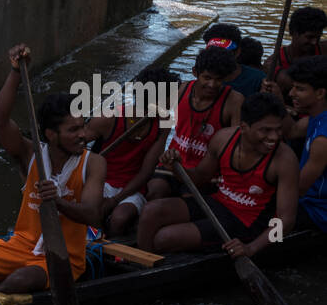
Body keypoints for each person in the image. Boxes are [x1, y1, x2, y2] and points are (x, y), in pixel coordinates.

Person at [0, 44, 106, 292]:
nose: (83, 135)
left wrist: (59, 201)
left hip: (63, 256)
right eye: (73, 130)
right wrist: (16, 73)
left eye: (83, 126)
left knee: (21, 281)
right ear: (52, 135)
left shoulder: (93, 163)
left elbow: (93, 215)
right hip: (19, 245)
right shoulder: (30, 154)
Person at [138, 92, 299, 258]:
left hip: (246, 223)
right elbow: (199, 177)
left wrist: (251, 248)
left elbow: (286, 222)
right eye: (265, 130)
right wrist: (175, 168)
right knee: (151, 211)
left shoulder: (285, 160)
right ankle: (143, 265)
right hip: (218, 203)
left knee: (165, 238)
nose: (274, 137)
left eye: (278, 130)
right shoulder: (223, 138)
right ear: (244, 127)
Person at [146, 45, 244, 199]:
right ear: (195, 73)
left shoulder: (234, 101)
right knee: (154, 192)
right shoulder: (182, 89)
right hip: (173, 164)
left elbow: (237, 146)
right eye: (207, 78)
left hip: (207, 173)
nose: (212, 85)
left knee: (186, 200)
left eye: (218, 80)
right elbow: (158, 118)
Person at [86, 68, 172, 234]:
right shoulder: (108, 118)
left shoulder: (163, 123)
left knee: (120, 218)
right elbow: (74, 147)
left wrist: (114, 200)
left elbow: (146, 171)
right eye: (170, 98)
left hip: (132, 187)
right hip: (99, 181)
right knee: (92, 213)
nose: (172, 103)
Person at [288, 56, 327, 231]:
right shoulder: (315, 117)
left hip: (317, 211)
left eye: (300, 89)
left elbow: (299, 188)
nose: (291, 93)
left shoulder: (322, 140)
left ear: (320, 93)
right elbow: (291, 131)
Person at [265, 6, 326, 95]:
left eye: (318, 37)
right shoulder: (273, 64)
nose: (314, 42)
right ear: (293, 33)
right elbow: (297, 86)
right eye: (309, 37)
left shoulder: (323, 49)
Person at [202, 23, 265, 97]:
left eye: (223, 53)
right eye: (211, 52)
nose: (216, 57)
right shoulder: (200, 74)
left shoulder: (259, 80)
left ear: (238, 52)